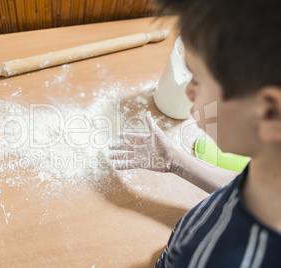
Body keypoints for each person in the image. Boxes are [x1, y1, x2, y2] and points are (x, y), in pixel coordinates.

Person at [108, 0, 281, 266]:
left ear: (269, 112)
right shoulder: (270, 170)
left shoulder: (214, 257)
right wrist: (175, 161)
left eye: (197, 79)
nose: (189, 91)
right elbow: (242, 183)